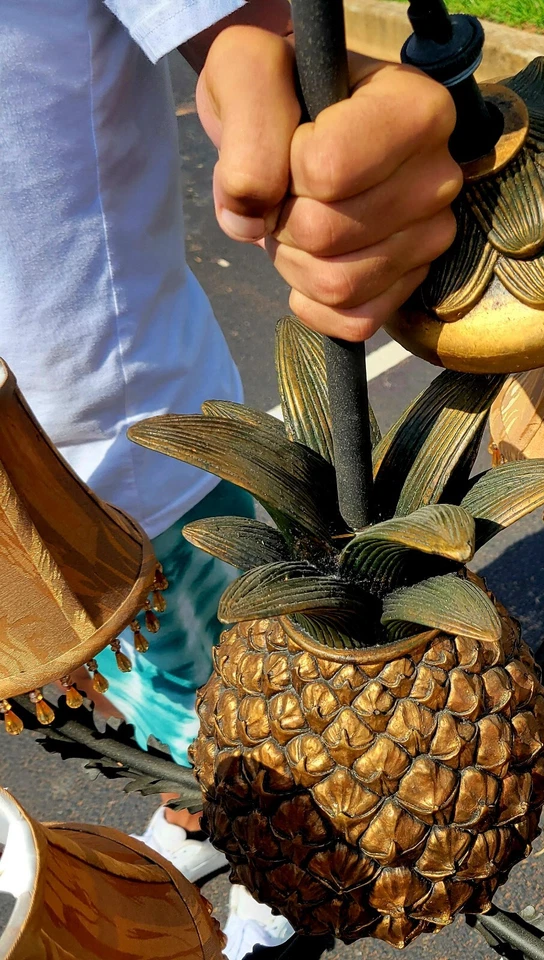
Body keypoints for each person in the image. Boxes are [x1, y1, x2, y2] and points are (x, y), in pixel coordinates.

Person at [1, 0, 460, 955]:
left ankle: (284, 863)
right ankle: (205, 814)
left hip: (131, 458)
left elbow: (245, 40)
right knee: (141, 705)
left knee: (236, 711)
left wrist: (265, 68)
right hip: (27, 499)